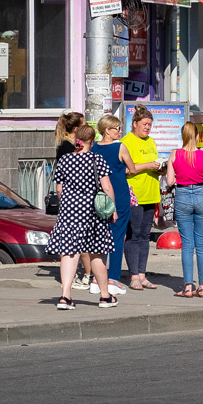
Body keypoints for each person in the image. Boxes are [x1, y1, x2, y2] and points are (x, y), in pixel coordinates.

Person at [48, 125, 118, 309]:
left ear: (76, 139)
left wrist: (69, 205)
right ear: (92, 141)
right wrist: (113, 210)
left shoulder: (64, 160)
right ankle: (104, 296)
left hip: (69, 213)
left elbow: (59, 189)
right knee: (96, 253)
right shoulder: (97, 159)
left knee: (69, 253)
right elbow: (107, 187)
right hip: (92, 213)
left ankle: (65, 296)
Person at [167, 122, 203, 298]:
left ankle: (188, 287)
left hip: (182, 196)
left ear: (182, 137)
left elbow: (169, 182)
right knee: (202, 244)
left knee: (187, 245)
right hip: (202, 196)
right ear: (197, 137)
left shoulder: (174, 155)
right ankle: (202, 287)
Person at [119, 106, 164, 290]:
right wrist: (148, 165)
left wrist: (161, 167)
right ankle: (133, 276)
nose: (147, 128)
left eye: (150, 125)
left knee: (145, 235)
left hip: (151, 193)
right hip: (134, 195)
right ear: (134, 124)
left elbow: (153, 164)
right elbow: (127, 169)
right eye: (144, 124)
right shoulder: (126, 142)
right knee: (134, 234)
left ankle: (143, 274)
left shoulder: (151, 141)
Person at [92, 115, 130, 294]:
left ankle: (96, 278)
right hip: (119, 194)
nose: (120, 131)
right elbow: (133, 168)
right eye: (117, 128)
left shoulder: (93, 148)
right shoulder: (120, 147)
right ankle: (113, 278)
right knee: (117, 236)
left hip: (97, 197)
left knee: (99, 237)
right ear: (107, 130)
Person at [52, 110, 90, 285]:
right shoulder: (70, 148)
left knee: (70, 239)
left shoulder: (66, 145)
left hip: (68, 199)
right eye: (84, 124)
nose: (87, 126)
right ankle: (80, 275)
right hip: (74, 199)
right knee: (77, 240)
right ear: (75, 128)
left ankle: (75, 274)